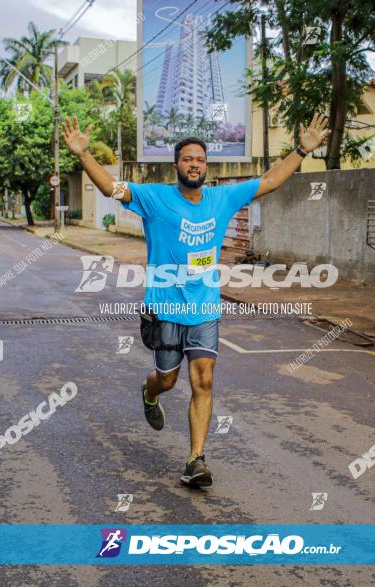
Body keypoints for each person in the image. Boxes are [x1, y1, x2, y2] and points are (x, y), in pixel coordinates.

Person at [62, 113, 330, 487]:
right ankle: (149, 391)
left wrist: (302, 150)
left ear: (207, 167)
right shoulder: (154, 197)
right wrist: (83, 155)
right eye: (188, 159)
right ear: (176, 166)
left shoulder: (222, 198)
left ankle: (195, 460)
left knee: (203, 380)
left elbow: (268, 181)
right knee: (168, 380)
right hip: (165, 306)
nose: (194, 165)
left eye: (200, 160)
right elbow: (112, 188)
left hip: (204, 307)